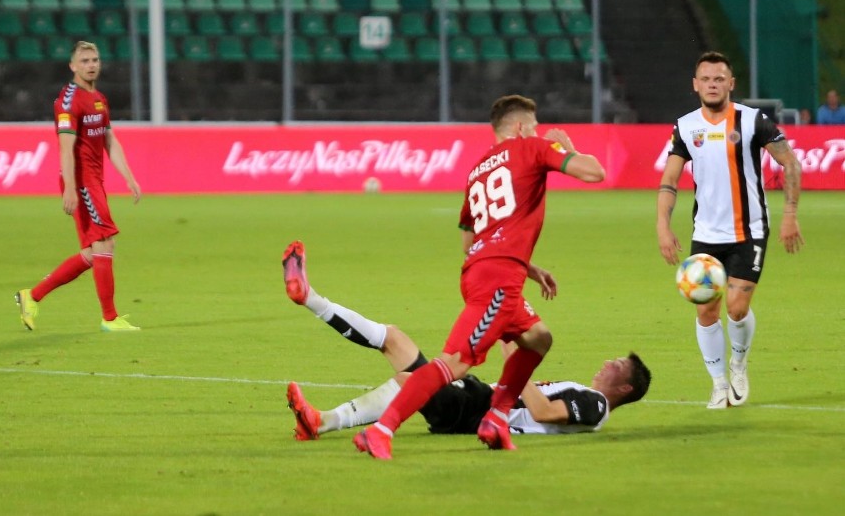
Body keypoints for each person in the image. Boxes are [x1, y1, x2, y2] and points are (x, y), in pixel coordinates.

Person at [319, 94, 607, 458]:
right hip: (499, 280)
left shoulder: (478, 171)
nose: (537, 132)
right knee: (453, 363)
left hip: (486, 272)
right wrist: (568, 148)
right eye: (533, 127)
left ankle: (497, 418)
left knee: (538, 338)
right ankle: (381, 430)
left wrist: (527, 267)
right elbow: (595, 173)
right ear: (519, 128)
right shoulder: (532, 147)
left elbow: (470, 238)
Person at [282, 241, 652, 440]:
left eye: (617, 366)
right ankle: (311, 298)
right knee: (393, 338)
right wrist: (513, 344)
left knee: (411, 382)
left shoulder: (597, 406)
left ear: (626, 387)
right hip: (475, 397)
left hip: (476, 411)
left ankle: (323, 421)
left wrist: (515, 364)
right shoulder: (584, 394)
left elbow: (542, 412)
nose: (607, 363)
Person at [657, 51, 803, 409]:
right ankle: (719, 383)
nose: (712, 84)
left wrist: (790, 214)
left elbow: (790, 163)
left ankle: (738, 364)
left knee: (736, 308)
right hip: (706, 233)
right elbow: (670, 179)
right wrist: (663, 225)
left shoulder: (753, 121)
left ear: (731, 83)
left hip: (749, 230)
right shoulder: (686, 126)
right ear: (695, 85)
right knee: (706, 311)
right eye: (706, 79)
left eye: (719, 79)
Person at [15, 41, 142, 333]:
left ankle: (31, 297)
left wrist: (129, 177)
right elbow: (65, 147)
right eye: (84, 60)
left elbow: (110, 139)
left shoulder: (98, 97)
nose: (91, 64)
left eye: (95, 59)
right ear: (72, 66)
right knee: (105, 243)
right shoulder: (69, 101)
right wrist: (71, 188)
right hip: (82, 180)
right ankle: (109, 318)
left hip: (93, 181)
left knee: (92, 253)